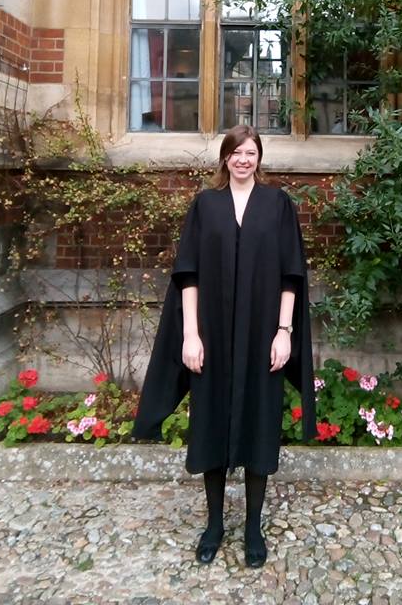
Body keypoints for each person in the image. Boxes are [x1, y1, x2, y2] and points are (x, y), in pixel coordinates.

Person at [133, 124, 316, 568]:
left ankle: (252, 525)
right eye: (236, 152)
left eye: (251, 152)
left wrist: (283, 331)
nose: (243, 159)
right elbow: (188, 276)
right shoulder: (205, 206)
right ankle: (214, 524)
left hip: (261, 338)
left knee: (259, 423)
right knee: (211, 423)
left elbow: (291, 275)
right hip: (211, 338)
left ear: (259, 158)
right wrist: (191, 335)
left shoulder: (277, 205)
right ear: (225, 157)